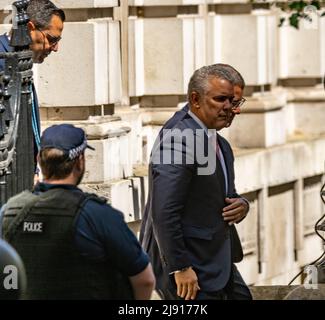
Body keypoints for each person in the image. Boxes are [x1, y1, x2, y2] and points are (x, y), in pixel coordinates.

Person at [0, 124, 155, 300]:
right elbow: (145, 280)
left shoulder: (9, 211)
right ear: (80, 161)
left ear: (38, 159)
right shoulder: (97, 215)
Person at [140, 64, 252, 300]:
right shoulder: (178, 139)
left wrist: (242, 204)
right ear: (195, 99)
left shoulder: (216, 141)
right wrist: (179, 267)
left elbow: (223, 194)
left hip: (215, 262)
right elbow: (164, 211)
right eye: (222, 99)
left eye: (234, 102)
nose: (231, 109)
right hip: (188, 270)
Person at [0, 0, 66, 181]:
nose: (56, 48)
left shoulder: (23, 63)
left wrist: (34, 172)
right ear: (30, 28)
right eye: (52, 39)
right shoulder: (3, 59)